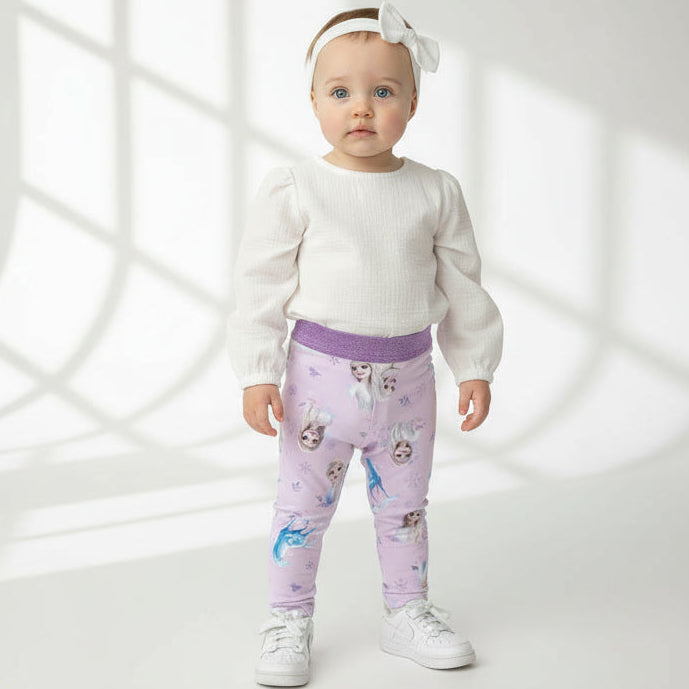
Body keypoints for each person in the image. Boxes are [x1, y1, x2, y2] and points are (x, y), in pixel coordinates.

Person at [227, 2, 504, 685]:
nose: (361, 108)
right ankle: (287, 618)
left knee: (404, 509)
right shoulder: (297, 187)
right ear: (313, 100)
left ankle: (406, 611)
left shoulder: (433, 191)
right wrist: (257, 371)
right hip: (317, 382)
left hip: (409, 383)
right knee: (301, 511)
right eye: (340, 92)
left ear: (412, 103)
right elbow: (260, 283)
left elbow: (462, 284)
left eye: (382, 91)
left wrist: (474, 364)